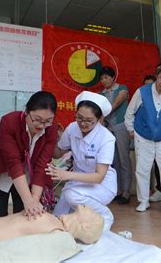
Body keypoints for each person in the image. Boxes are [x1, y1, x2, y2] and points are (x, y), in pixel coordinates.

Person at [0, 91, 58, 222]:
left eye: (47, 121)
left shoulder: (51, 130)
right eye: (37, 120)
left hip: (29, 178)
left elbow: (43, 165)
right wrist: (28, 199)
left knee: (24, 216)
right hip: (3, 173)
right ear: (26, 111)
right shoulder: (9, 122)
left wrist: (34, 199)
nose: (41, 126)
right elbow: (13, 163)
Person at [48, 91, 116, 231]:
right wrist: (56, 139)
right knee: (57, 217)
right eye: (79, 118)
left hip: (102, 186)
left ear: (99, 119)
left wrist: (67, 175)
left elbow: (99, 177)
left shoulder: (106, 138)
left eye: (89, 120)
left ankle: (105, 215)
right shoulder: (73, 128)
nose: (82, 123)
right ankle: (85, 218)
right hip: (78, 182)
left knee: (71, 195)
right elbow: (57, 153)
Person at [125, 63, 161, 217]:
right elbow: (130, 113)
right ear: (157, 76)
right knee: (142, 169)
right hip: (143, 136)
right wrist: (131, 130)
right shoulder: (142, 92)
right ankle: (143, 201)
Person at [98, 66, 132, 205]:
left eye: (106, 77)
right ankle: (116, 191)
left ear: (113, 78)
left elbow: (116, 104)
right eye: (102, 78)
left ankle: (126, 192)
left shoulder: (122, 89)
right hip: (107, 128)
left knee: (124, 159)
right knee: (113, 161)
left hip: (121, 126)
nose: (104, 81)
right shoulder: (100, 94)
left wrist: (103, 113)